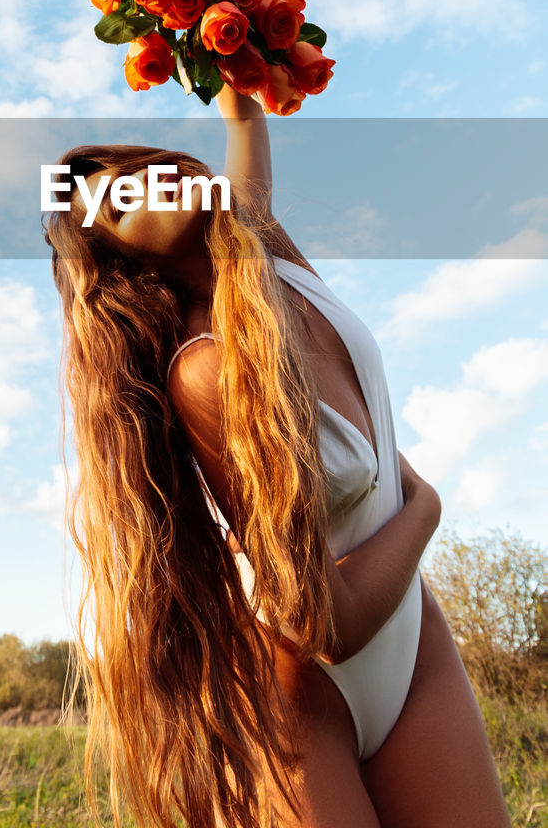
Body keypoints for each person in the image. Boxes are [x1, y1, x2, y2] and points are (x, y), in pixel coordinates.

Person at [41, 84, 511, 828]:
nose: (151, 182)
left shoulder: (274, 260)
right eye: (123, 203)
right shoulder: (205, 370)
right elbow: (322, 622)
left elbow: (244, 138)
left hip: (410, 641)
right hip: (296, 690)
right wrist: (426, 507)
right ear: (127, 265)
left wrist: (232, 72)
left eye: (145, 166)